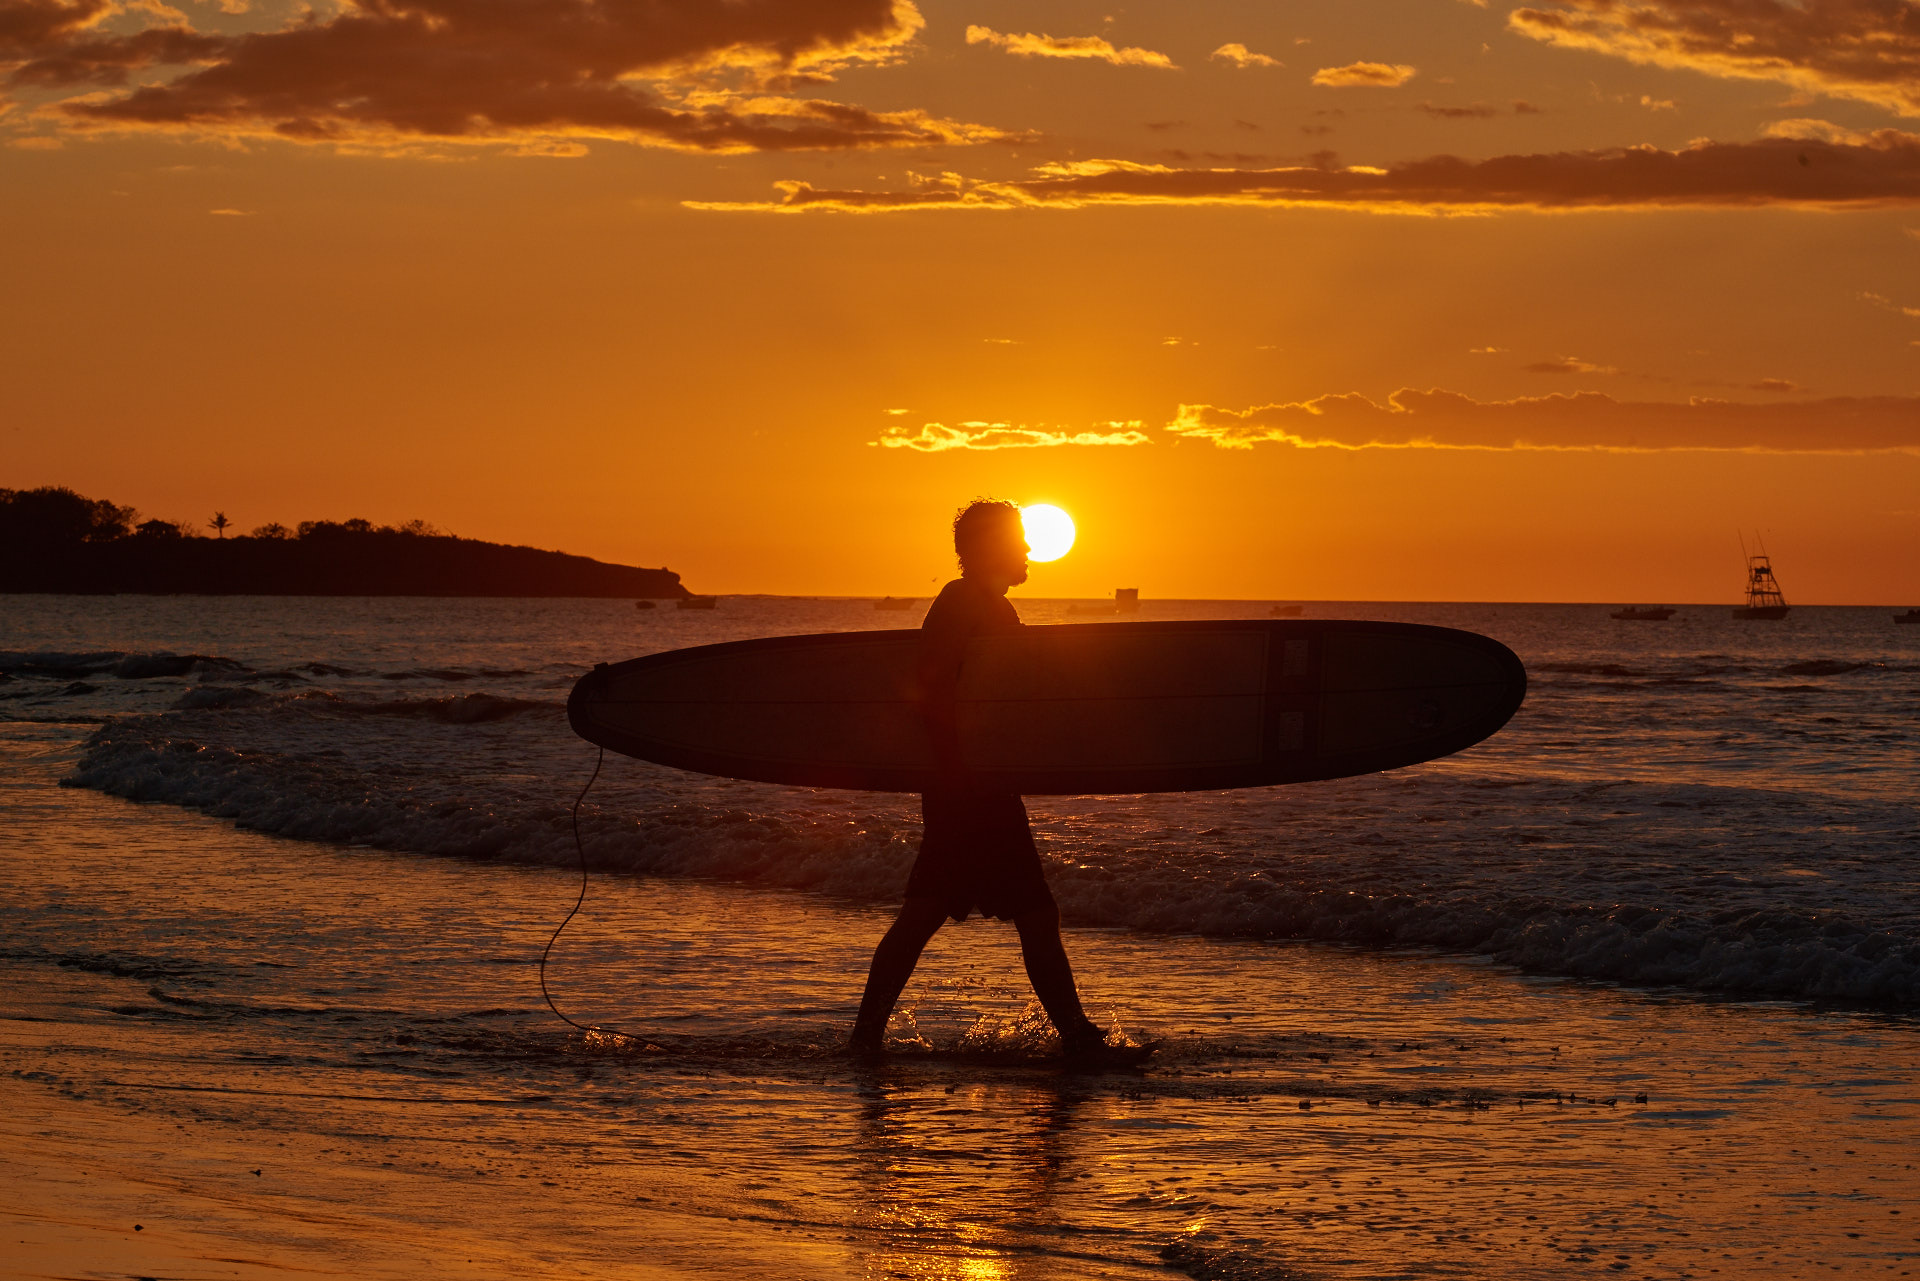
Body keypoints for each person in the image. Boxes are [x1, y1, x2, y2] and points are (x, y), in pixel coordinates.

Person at [849, 499, 1117, 1060]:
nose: (1026, 550)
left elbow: (1002, 703)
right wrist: (957, 770)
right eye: (1018, 540)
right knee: (1027, 912)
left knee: (931, 908)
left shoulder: (986, 605)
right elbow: (932, 688)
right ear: (990, 548)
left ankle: (866, 1036)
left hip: (976, 781)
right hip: (968, 785)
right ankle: (1079, 1040)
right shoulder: (962, 602)